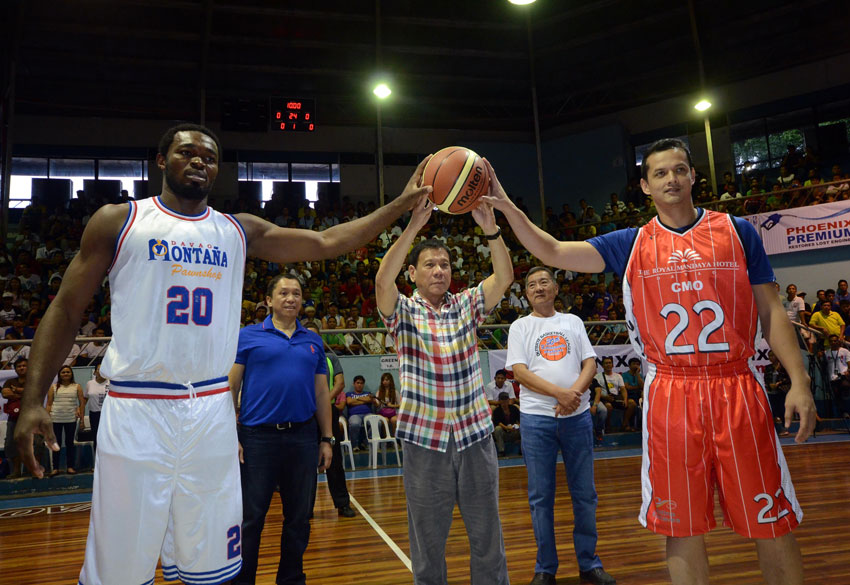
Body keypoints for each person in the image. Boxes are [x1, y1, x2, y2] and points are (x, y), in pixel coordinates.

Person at [14, 123, 431, 585]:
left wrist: (400, 204)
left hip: (210, 411)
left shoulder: (236, 230)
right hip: (137, 407)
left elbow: (327, 242)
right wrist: (33, 399)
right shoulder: (120, 219)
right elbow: (67, 308)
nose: (199, 162)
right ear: (160, 161)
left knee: (214, 566)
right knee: (119, 570)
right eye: (187, 152)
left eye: (209, 157)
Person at [482, 139, 816, 585]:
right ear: (645, 186)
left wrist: (800, 381)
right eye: (660, 173)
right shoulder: (632, 243)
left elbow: (772, 310)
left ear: (694, 176)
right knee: (680, 525)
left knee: (770, 518)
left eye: (680, 170)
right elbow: (553, 251)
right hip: (671, 393)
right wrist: (505, 205)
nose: (672, 179)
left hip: (736, 385)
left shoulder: (738, 231)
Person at [375, 172, 514, 585]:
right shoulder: (402, 311)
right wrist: (414, 225)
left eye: (445, 264)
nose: (439, 270)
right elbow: (383, 280)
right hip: (424, 443)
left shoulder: (467, 304)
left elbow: (504, 277)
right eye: (430, 264)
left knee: (488, 538)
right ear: (414, 273)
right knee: (427, 544)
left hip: (474, 437)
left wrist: (491, 231)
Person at [505, 266, 615, 585]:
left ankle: (589, 563)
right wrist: (560, 394)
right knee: (541, 497)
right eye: (531, 285)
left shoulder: (572, 322)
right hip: (537, 419)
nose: (538, 288)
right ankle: (545, 568)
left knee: (584, 494)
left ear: (555, 289)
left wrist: (574, 395)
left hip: (577, 418)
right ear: (526, 294)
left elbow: (590, 364)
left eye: (544, 283)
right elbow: (520, 373)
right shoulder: (519, 327)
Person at [228, 273, 333, 585]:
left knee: (299, 518)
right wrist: (230, 434)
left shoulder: (312, 340)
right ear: (268, 300)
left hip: (302, 438)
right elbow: (230, 387)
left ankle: (291, 578)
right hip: (257, 438)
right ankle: (243, 579)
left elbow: (321, 393)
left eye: (297, 294)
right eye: (284, 293)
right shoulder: (247, 336)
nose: (291, 298)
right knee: (251, 518)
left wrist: (326, 438)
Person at [304, 321, 355, 518]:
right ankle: (306, 508)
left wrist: (323, 401)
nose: (313, 340)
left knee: (334, 460)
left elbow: (340, 383)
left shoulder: (331, 358)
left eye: (316, 336)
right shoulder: (299, 358)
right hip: (305, 414)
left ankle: (343, 504)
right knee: (307, 462)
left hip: (328, 413)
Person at [46, 365, 85, 476]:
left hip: (71, 419)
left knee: (69, 443)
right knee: (56, 443)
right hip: (55, 419)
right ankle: (56, 468)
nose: (66, 374)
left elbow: (82, 404)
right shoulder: (53, 387)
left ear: (71, 374)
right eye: (63, 372)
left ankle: (70, 467)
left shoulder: (77, 387)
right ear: (59, 375)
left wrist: (82, 419)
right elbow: (49, 404)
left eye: (68, 372)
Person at [594, 357, 635, 432]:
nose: (608, 364)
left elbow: (623, 389)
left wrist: (625, 400)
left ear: (612, 365)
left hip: (616, 398)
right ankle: (608, 426)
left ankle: (624, 425)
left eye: (610, 363)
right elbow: (597, 391)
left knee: (631, 403)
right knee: (608, 406)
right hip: (605, 399)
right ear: (602, 366)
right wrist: (605, 397)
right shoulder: (597, 377)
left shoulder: (618, 376)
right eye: (606, 363)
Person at [1, 358, 27, 477]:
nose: (21, 368)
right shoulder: (10, 381)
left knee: (35, 443)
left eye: (24, 365)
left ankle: (33, 470)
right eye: (19, 366)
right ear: (15, 369)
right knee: (10, 444)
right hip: (14, 418)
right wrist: (22, 393)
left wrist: (16, 391)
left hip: (31, 417)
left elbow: (34, 392)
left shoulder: (34, 380)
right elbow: (5, 393)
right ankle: (16, 471)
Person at [83, 364, 108, 455]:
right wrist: (81, 415)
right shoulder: (90, 383)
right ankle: (97, 464)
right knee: (96, 438)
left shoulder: (111, 383)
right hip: (94, 415)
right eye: (99, 369)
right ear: (95, 372)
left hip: (108, 415)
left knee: (108, 439)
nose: (101, 372)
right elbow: (84, 399)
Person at [345, 375, 374, 450]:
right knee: (355, 424)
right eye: (358, 383)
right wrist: (363, 400)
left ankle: (368, 443)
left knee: (376, 423)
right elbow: (349, 402)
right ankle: (354, 445)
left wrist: (356, 400)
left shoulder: (368, 393)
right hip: (354, 415)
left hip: (368, 414)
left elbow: (369, 400)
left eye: (361, 383)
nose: (359, 385)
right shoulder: (349, 394)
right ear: (354, 384)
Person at [491, 391, 521, 457]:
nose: (504, 402)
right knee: (497, 429)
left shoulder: (514, 408)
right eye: (502, 400)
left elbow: (520, 421)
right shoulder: (496, 411)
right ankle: (501, 451)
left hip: (514, 432)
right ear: (499, 401)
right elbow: (498, 423)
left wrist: (515, 426)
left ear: (508, 400)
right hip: (503, 433)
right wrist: (507, 428)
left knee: (522, 428)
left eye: (506, 400)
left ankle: (522, 449)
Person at [375, 372, 400, 436]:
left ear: (390, 381)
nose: (384, 382)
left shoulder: (395, 392)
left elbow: (400, 405)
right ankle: (385, 439)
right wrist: (374, 401)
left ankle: (394, 438)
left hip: (393, 412)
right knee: (385, 420)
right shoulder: (379, 392)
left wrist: (392, 405)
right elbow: (377, 405)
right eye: (383, 380)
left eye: (386, 380)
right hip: (382, 412)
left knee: (394, 420)